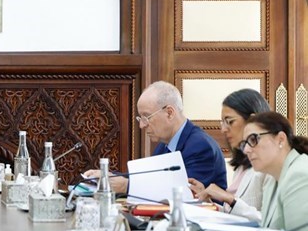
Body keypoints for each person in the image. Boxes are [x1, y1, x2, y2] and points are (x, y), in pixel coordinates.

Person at [84, 81, 227, 194]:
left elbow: (184, 193)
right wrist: (109, 176)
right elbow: (149, 179)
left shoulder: (200, 146)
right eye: (140, 118)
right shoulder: (164, 145)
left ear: (169, 113)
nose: (142, 125)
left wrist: (127, 186)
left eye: (146, 117)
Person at [188, 89, 270, 221]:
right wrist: (207, 202)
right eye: (222, 123)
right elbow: (233, 215)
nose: (223, 129)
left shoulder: (270, 166)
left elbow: (271, 222)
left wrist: (230, 199)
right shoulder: (242, 165)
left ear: (252, 120)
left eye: (230, 122)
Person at [241, 112, 308, 231]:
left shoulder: (300, 175)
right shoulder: (272, 179)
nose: (246, 150)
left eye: (253, 139)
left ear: (280, 140)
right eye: (245, 143)